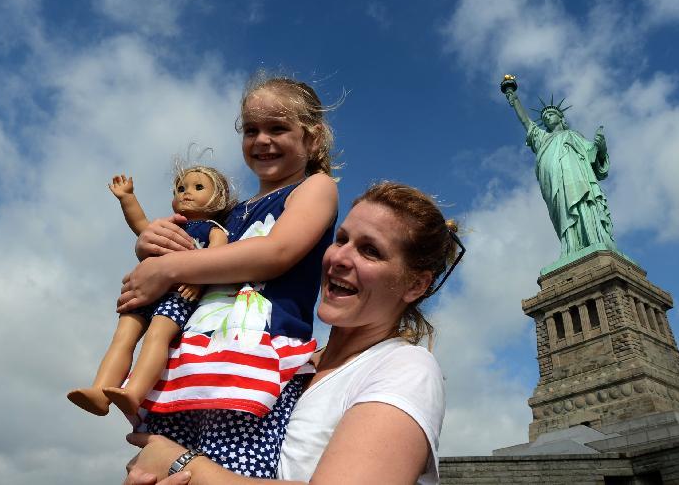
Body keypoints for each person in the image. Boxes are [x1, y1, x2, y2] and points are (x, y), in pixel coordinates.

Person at [122, 181, 462, 485]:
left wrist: (180, 463)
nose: (339, 258)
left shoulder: (405, 368)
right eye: (341, 239)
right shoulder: (294, 363)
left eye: (370, 251)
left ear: (415, 284)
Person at [116, 74, 339, 477]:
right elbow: (190, 245)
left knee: (232, 468)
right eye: (251, 130)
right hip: (192, 359)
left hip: (254, 359)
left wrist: (168, 267)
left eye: (278, 128)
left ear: (313, 139)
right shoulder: (229, 214)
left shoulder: (315, 187)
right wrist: (151, 244)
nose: (262, 140)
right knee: (162, 468)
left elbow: (276, 252)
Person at [67, 167, 233, 417]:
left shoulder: (213, 229)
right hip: (144, 292)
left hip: (179, 294)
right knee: (122, 337)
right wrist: (127, 198)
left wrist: (198, 282)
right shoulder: (171, 225)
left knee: (157, 336)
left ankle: (135, 391)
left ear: (218, 198)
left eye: (198, 187)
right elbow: (141, 225)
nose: (187, 193)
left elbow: (215, 258)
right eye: (181, 188)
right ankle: (100, 391)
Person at [500, 75, 617, 256]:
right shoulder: (542, 138)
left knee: (584, 204)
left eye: (551, 114)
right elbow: (525, 121)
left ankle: (594, 240)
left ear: (561, 117)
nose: (547, 117)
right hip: (555, 183)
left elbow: (595, 158)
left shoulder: (573, 135)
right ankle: (571, 247)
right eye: (544, 116)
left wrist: (601, 147)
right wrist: (512, 97)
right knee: (564, 211)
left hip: (578, 179)